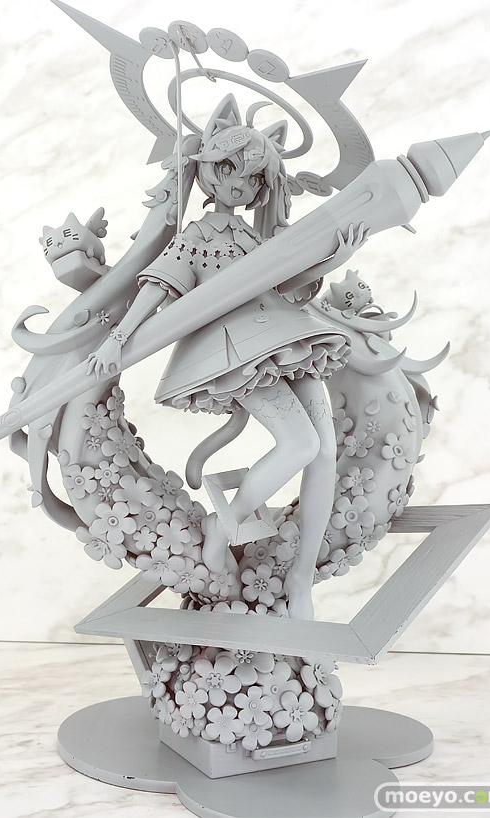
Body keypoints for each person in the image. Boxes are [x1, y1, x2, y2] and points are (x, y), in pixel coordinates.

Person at [87, 95, 368, 619]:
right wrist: (117, 338)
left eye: (254, 178)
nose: (240, 184)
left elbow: (284, 284)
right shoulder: (195, 235)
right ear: (208, 168)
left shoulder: (251, 235)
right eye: (229, 170)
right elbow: (160, 284)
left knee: (323, 450)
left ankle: (300, 578)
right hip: (238, 352)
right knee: (301, 443)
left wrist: (337, 258)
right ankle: (227, 521)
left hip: (289, 338)